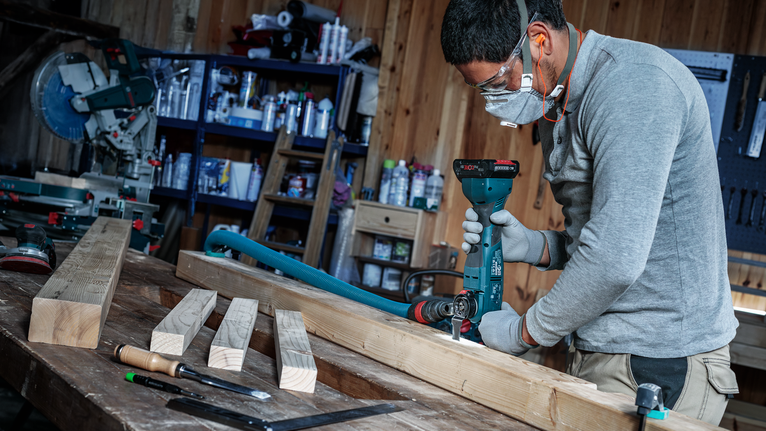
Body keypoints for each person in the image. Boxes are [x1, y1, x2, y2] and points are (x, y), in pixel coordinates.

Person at [441, 0, 739, 425]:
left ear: (538, 41)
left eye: (498, 81)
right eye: (481, 89)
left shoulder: (634, 88)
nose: (493, 99)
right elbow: (600, 236)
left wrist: (522, 333)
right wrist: (533, 246)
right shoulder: (555, 99)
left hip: (660, 363)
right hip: (604, 349)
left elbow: (615, 259)